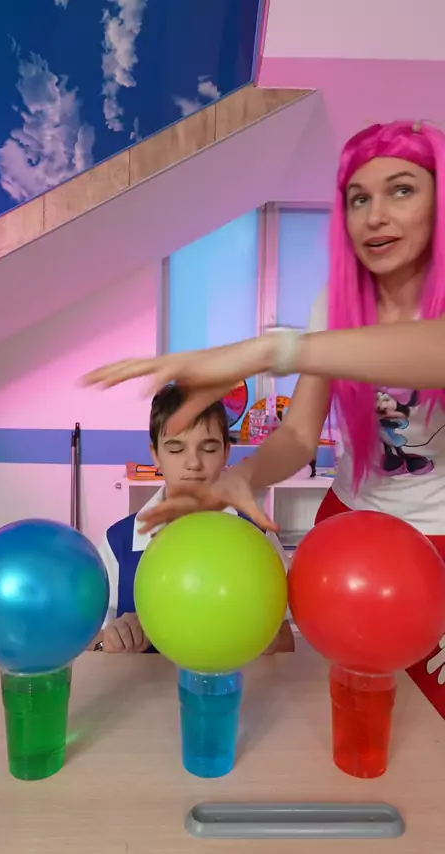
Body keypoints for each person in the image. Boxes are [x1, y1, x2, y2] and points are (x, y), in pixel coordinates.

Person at [84, 120, 445, 717]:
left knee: (427, 714)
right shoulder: (336, 303)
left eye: (402, 190)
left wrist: (266, 350)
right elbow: (300, 434)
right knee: (346, 698)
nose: (376, 215)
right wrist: (243, 478)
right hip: (349, 526)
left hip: (435, 536)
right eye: (359, 199)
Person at [92, 383, 294, 654]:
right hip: (142, 682)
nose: (193, 463)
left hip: (230, 681)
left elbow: (286, 642)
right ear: (155, 455)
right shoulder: (119, 544)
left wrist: (265, 639)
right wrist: (109, 642)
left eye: (208, 449)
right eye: (176, 449)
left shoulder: (257, 535)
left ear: (226, 452)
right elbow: (86, 644)